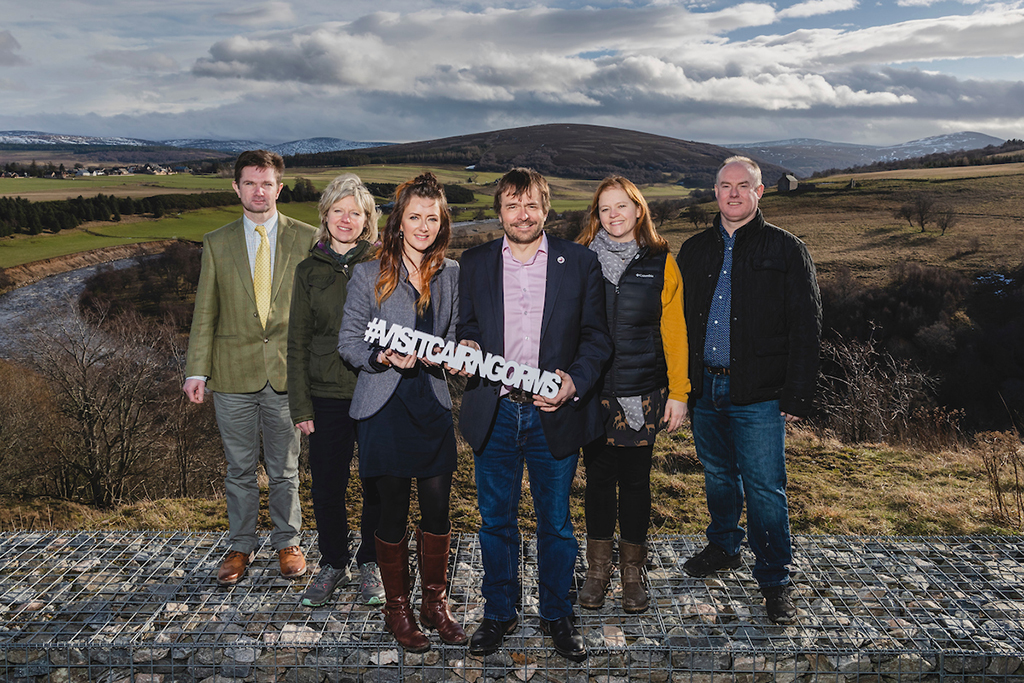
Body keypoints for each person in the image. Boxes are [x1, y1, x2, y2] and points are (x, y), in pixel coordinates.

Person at [458, 168, 611, 662]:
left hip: (555, 413)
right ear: (499, 210)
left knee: (556, 523)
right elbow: (469, 326)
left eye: (531, 206)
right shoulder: (476, 262)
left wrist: (575, 381)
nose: (521, 215)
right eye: (510, 205)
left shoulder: (580, 262)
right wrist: (468, 344)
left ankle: (556, 614)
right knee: (495, 521)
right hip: (496, 410)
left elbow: (596, 337)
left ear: (546, 209)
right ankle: (499, 613)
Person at [676, 156, 821, 624]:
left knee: (764, 488)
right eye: (725, 186)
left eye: (744, 186)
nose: (733, 194)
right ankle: (723, 546)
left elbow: (806, 325)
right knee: (718, 475)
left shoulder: (786, 250)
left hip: (760, 392)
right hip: (705, 389)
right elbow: (675, 327)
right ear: (714, 192)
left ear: (760, 193)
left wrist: (796, 394)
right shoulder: (694, 250)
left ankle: (775, 578)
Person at [337, 172, 466, 652]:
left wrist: (454, 352)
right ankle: (398, 609)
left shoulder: (451, 274)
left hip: (430, 403)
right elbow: (348, 341)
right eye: (415, 216)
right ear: (399, 221)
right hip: (383, 407)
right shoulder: (369, 273)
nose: (424, 226)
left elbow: (452, 335)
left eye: (432, 218)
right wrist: (383, 356)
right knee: (389, 512)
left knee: (437, 510)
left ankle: (435, 603)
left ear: (442, 221)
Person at [183, 149, 317, 586]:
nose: (259, 191)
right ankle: (239, 546)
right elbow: (205, 312)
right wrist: (195, 371)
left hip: (286, 373)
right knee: (238, 469)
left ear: (279, 188)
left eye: (267, 183)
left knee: (284, 468)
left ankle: (288, 543)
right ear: (236, 187)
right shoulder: (217, 242)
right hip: (231, 374)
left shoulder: (308, 237)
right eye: (249, 183)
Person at [575, 176, 690, 613]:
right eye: (605, 209)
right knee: (599, 483)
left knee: (636, 484)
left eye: (622, 206)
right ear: (597, 215)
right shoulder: (581, 260)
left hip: (642, 395)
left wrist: (679, 393)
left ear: (638, 210)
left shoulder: (663, 262)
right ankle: (598, 571)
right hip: (593, 394)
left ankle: (631, 572)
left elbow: (675, 333)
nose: (614, 215)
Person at [287, 173, 385, 607]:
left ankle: (371, 562)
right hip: (325, 395)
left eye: (356, 213)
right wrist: (300, 403)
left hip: (377, 390)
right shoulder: (308, 271)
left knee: (378, 482)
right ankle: (332, 562)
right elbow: (296, 342)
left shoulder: (385, 265)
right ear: (325, 216)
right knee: (327, 484)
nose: (347, 219)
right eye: (338, 211)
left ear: (368, 221)